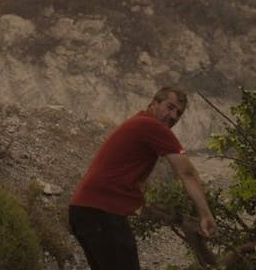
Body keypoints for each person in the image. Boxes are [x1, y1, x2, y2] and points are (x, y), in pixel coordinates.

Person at [68, 86, 216, 270]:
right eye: (170, 107)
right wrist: (205, 215)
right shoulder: (152, 126)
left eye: (178, 113)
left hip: (86, 210)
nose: (173, 116)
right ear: (154, 103)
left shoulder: (140, 123)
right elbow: (187, 173)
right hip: (101, 211)